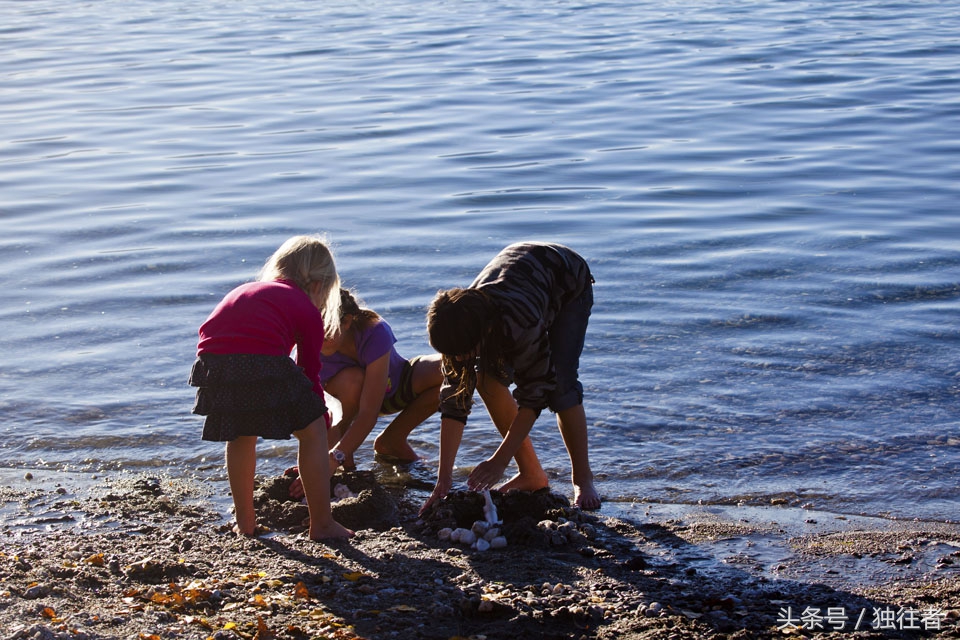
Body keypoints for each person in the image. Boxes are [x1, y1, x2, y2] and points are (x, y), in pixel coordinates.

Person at [188, 235, 354, 540]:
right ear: (318, 285)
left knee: (240, 434)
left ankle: (245, 523)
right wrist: (320, 415)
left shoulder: (246, 290)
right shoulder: (304, 307)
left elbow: (216, 330)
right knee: (313, 432)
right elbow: (309, 372)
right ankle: (322, 524)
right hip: (258, 357)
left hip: (213, 361)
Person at [419, 241, 601, 515]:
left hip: (566, 280)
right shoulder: (455, 326)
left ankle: (583, 479)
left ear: (483, 334)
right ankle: (531, 475)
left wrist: (499, 460)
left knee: (561, 387)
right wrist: (443, 480)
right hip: (519, 277)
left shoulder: (521, 324)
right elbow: (454, 400)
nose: (457, 359)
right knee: (485, 378)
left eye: (463, 352)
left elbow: (535, 396)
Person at [289, 288, 443, 499]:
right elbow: (311, 417)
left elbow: (369, 414)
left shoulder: (374, 331)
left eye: (326, 328)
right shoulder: (309, 349)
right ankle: (346, 460)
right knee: (352, 380)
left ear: (347, 321)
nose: (318, 337)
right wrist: (313, 460)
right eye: (313, 328)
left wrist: (334, 458)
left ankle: (392, 440)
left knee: (451, 371)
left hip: (394, 388)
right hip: (346, 410)